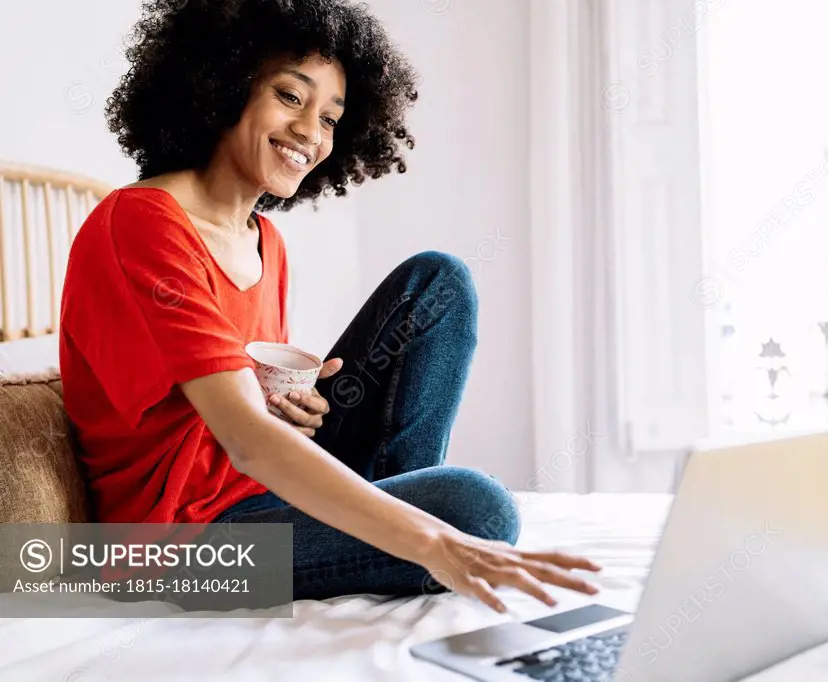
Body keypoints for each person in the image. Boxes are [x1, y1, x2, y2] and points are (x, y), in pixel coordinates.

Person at [59, 0, 600, 613]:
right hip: (185, 546)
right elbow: (244, 439)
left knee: (438, 284)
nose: (311, 133)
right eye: (291, 97)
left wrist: (290, 410)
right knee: (476, 509)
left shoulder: (267, 241)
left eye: (331, 118)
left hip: (258, 493)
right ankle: (403, 533)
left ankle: (388, 519)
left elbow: (239, 414)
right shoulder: (141, 224)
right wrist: (435, 539)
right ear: (220, 84)